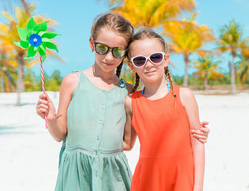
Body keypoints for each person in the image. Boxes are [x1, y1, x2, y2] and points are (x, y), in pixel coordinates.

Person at [36, 13, 209, 191]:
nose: (109, 57)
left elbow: (127, 143)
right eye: (102, 48)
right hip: (75, 173)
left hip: (113, 174)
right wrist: (50, 118)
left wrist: (196, 135)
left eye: (117, 51)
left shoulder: (128, 93)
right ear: (91, 44)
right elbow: (59, 135)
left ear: (125, 55)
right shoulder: (72, 82)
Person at [125, 29, 205, 191]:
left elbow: (198, 144)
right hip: (148, 180)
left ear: (166, 59)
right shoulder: (131, 102)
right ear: (132, 66)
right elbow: (126, 144)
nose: (148, 64)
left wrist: (198, 186)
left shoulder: (185, 96)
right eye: (140, 60)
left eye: (155, 57)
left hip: (182, 179)